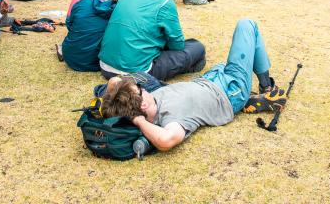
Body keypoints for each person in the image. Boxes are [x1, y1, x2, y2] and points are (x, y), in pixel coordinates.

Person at [99, 18, 287, 152]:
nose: (143, 88)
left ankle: (256, 90)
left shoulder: (150, 101)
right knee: (247, 25)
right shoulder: (172, 119)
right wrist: (137, 120)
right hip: (230, 90)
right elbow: (165, 140)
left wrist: (128, 108)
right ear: (142, 105)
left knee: (241, 52)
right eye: (140, 90)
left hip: (208, 79)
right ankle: (266, 87)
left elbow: (114, 81)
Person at [99, 0, 206, 81]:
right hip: (136, 72)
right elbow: (177, 44)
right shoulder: (164, 1)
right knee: (197, 47)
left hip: (106, 67)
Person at [60, 0, 124, 72]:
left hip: (69, 54)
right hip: (92, 61)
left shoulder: (84, 1)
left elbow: (69, 23)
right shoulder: (118, 14)